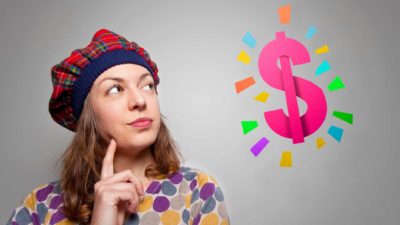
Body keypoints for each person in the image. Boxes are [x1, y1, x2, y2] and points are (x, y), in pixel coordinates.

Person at [6, 28, 230, 225]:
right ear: (87, 116)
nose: (140, 100)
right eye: (115, 89)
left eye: (147, 86)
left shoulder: (197, 191)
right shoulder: (40, 206)